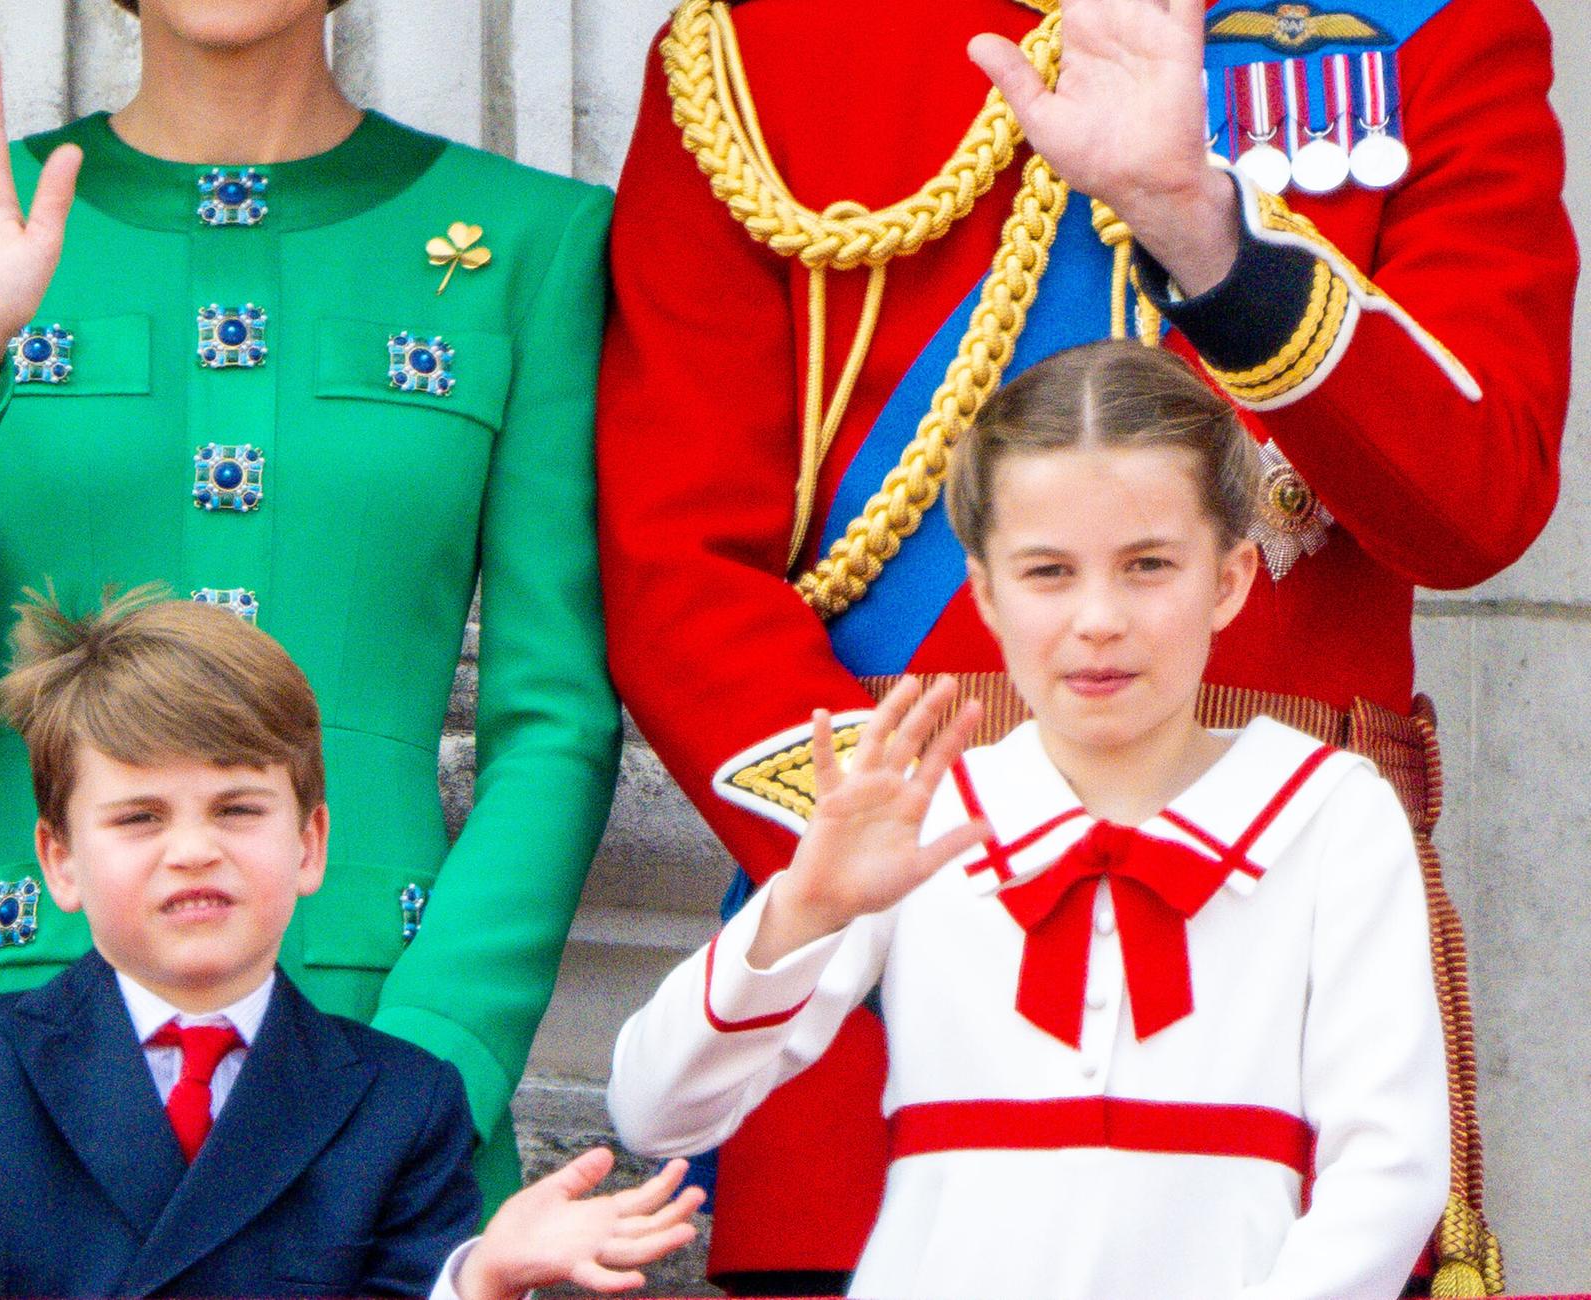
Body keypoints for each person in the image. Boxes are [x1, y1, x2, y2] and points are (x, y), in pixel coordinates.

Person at [594, 0, 1571, 1285]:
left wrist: (1211, 241)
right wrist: (926, 875)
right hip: (888, 1041)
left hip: (1281, 999)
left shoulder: (1432, 29)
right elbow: (676, 572)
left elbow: (1473, 503)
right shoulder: (762, 46)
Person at [0, 4, 621, 1206]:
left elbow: (553, 721)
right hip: (34, 1063)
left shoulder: (530, 240)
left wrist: (433, 1068)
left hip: (385, 1036)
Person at [608, 341, 1450, 1299]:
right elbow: (656, 1108)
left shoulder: (1331, 813)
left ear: (1231, 580)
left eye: (1148, 566)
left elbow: (1390, 1168)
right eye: (1048, 572)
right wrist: (804, 904)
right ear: (985, 592)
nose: (1098, 618)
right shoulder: (927, 818)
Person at [0, 589, 696, 1299]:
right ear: (58, 860)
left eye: (237, 809)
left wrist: (480, 1278)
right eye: (138, 817)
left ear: (309, 845)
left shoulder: (402, 1102)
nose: (193, 849)